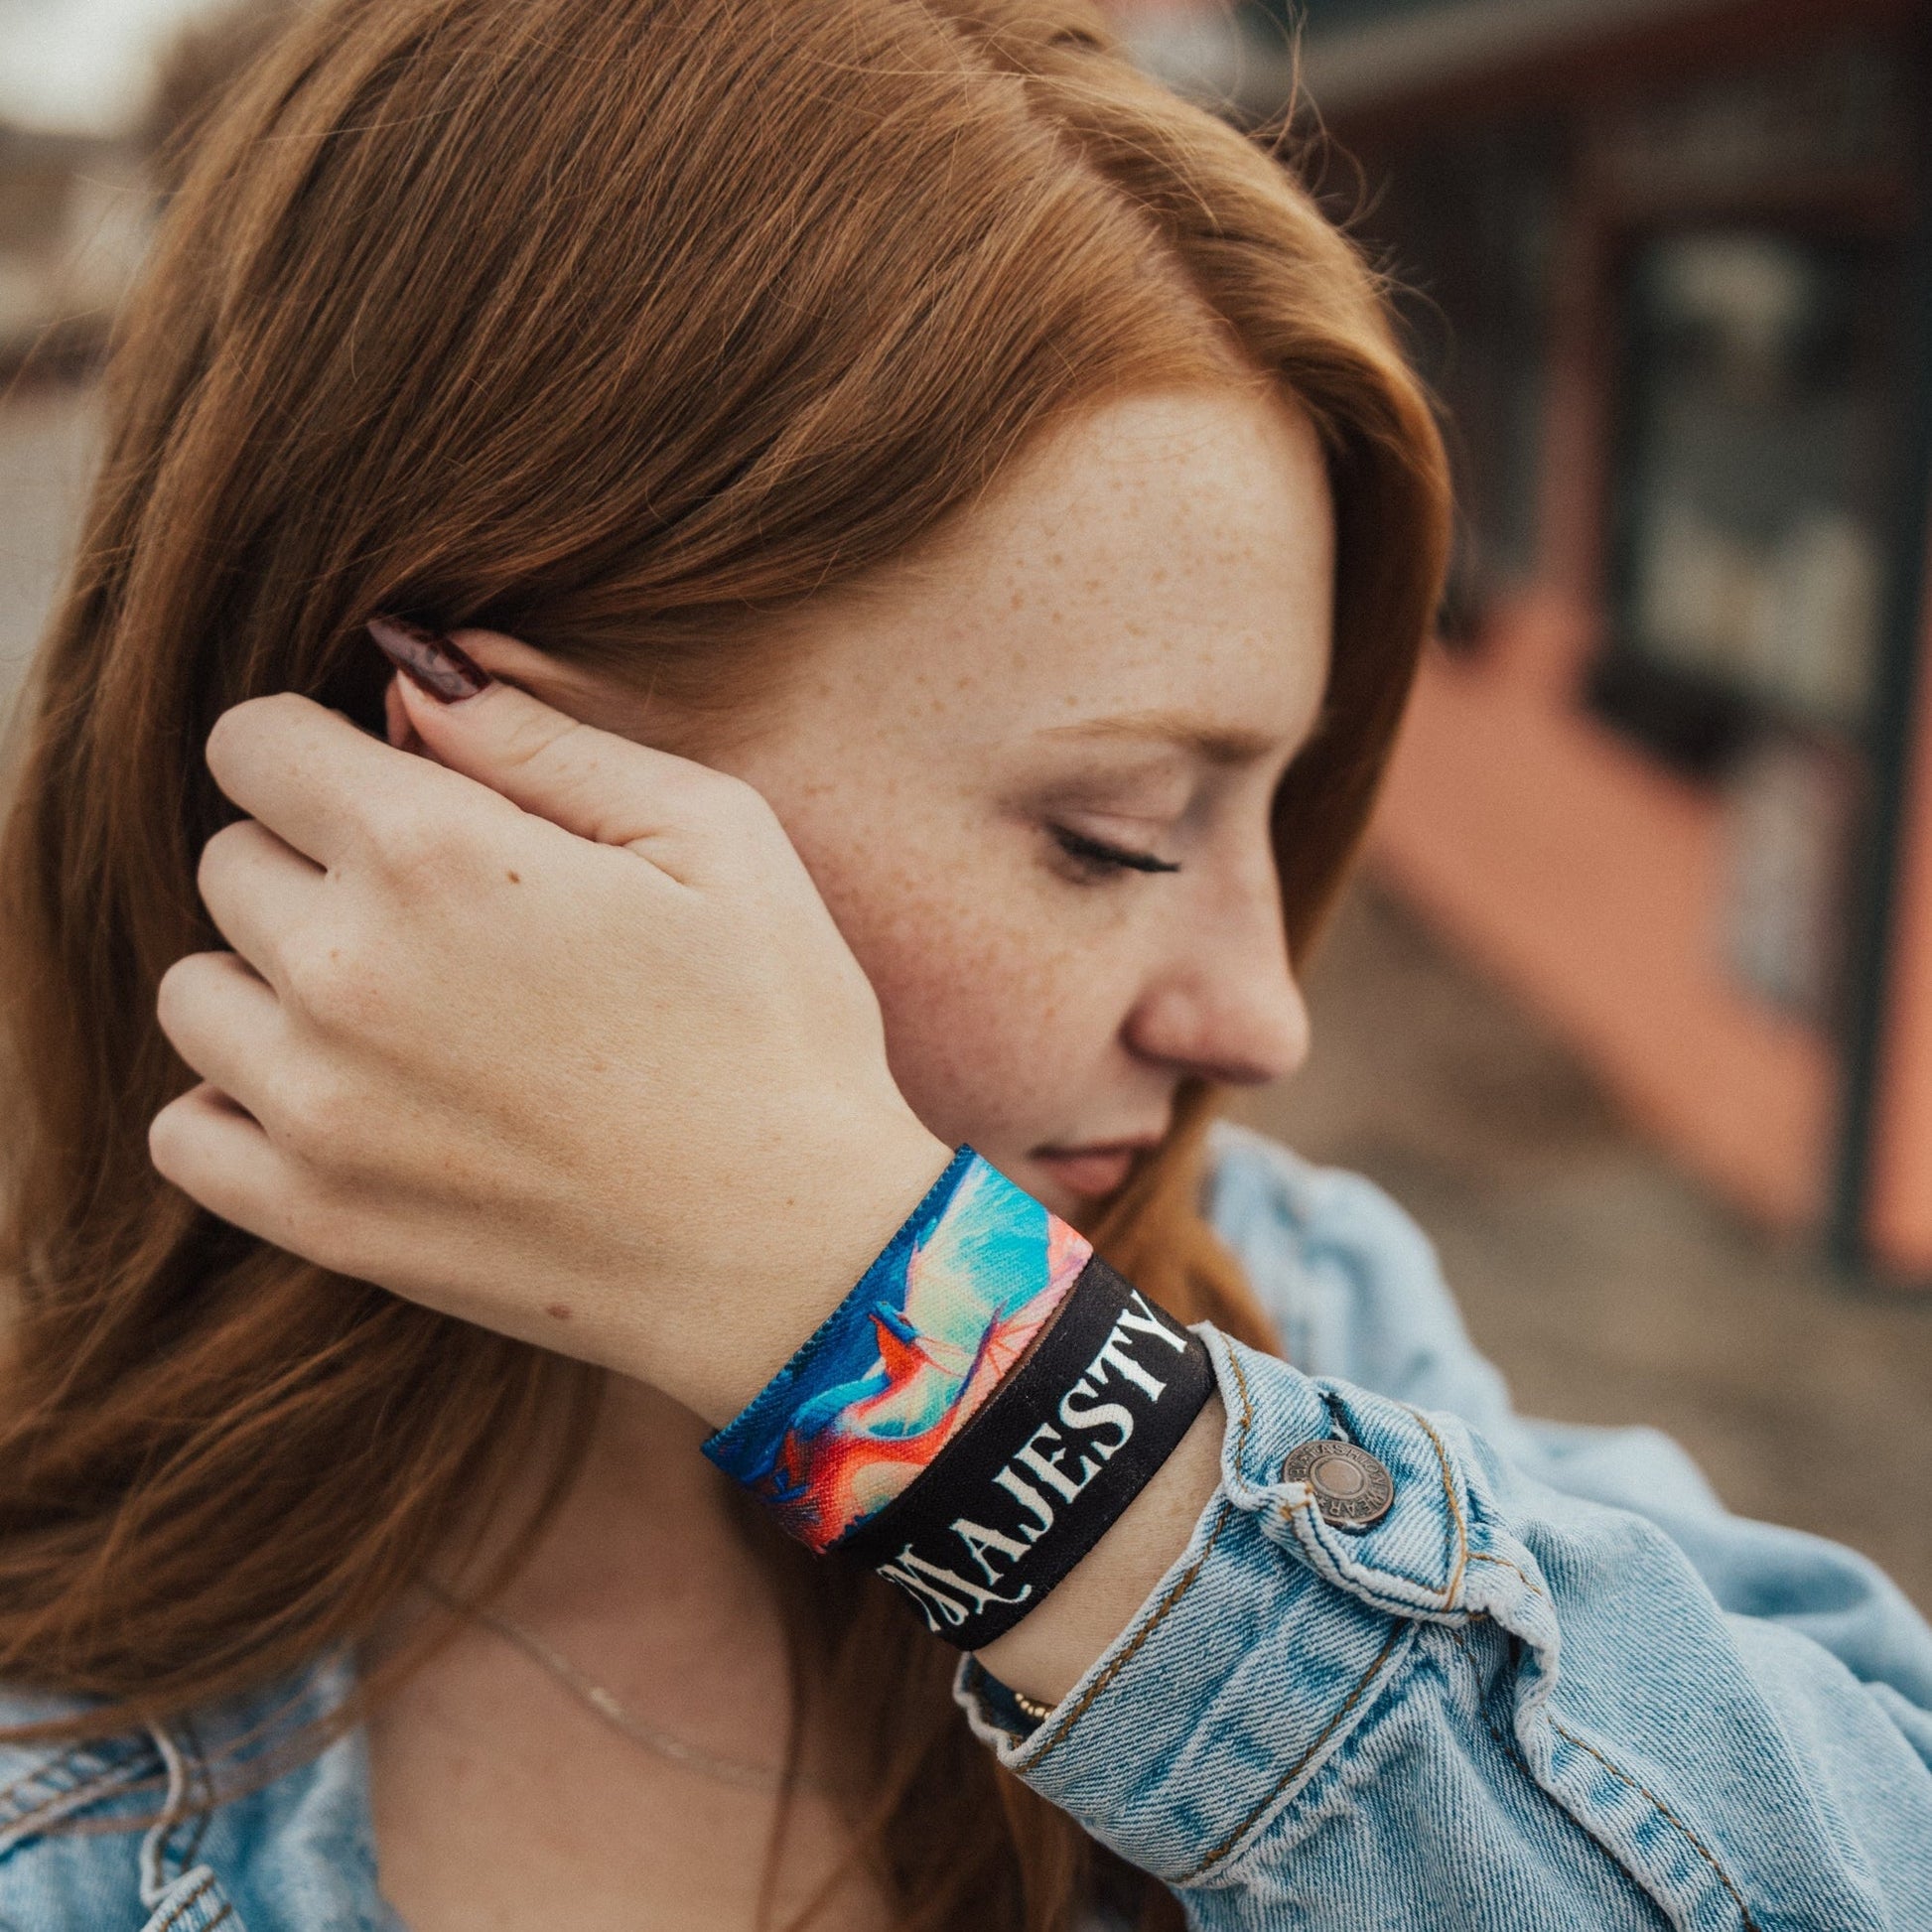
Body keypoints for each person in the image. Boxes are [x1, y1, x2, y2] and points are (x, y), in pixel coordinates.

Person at [0, 2, 1928, 1928]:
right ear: (454, 773)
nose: (1260, 1018)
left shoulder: (1293, 1318)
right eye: (1111, 835)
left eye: (1279, 807)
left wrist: (962, 1393)